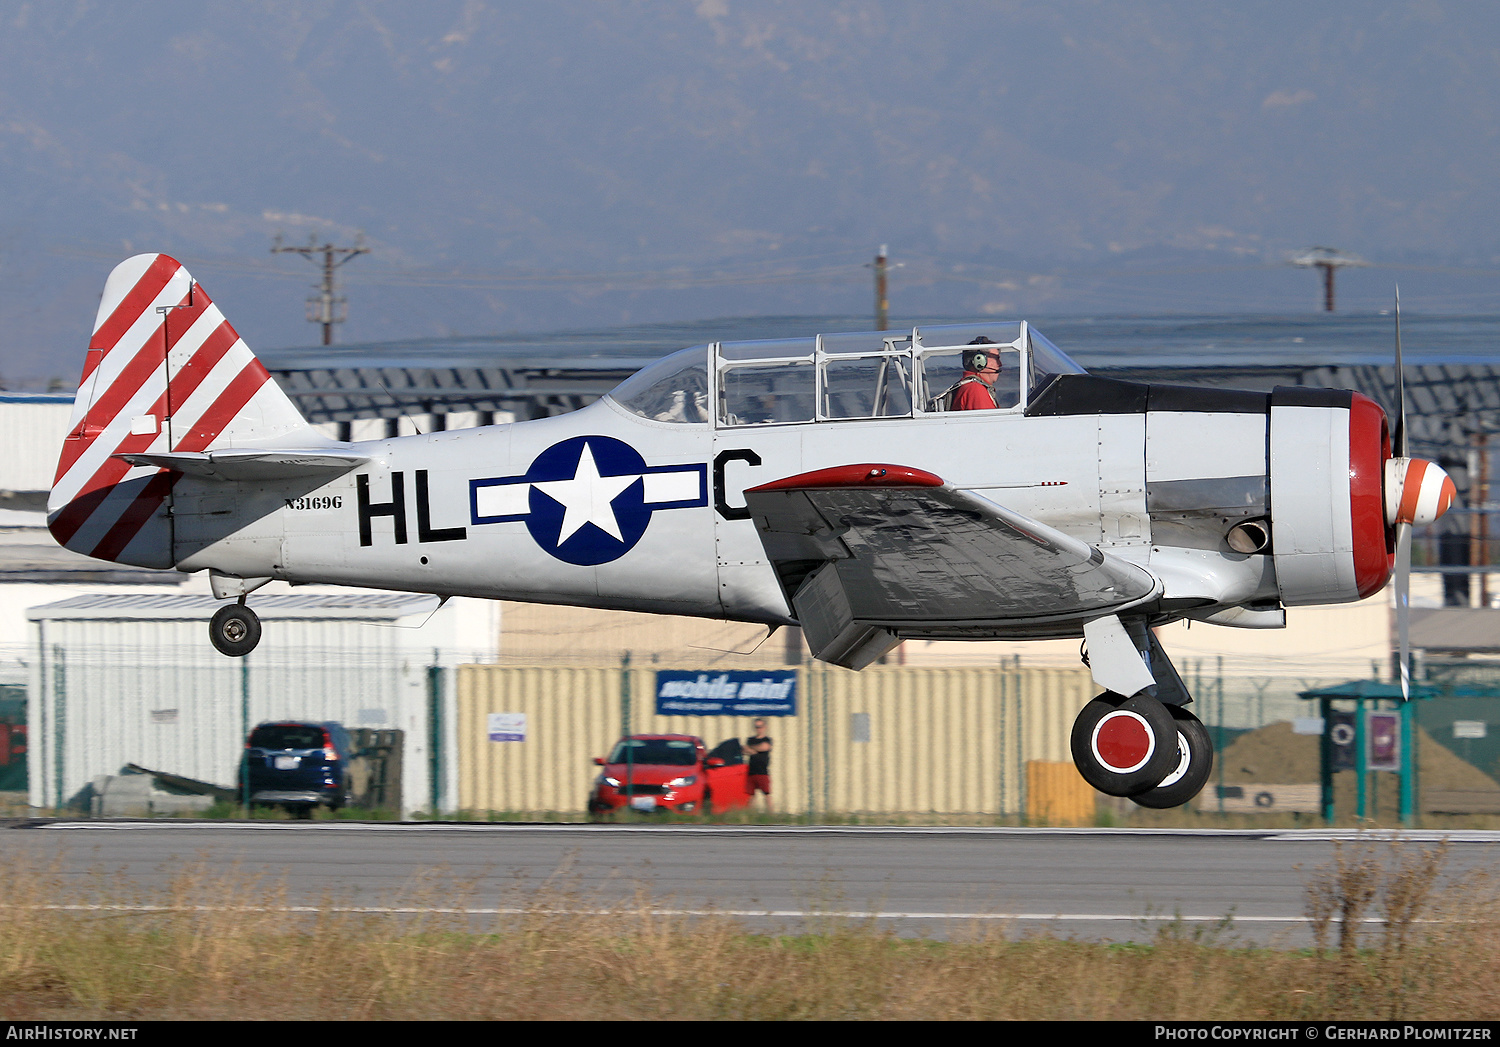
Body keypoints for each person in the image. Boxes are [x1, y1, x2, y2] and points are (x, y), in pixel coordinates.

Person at [947, 336, 1001, 411]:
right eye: (996, 358)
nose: (1000, 364)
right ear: (979, 360)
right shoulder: (976, 389)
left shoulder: (971, 387)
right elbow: (987, 421)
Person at [744, 717, 772, 811]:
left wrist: (753, 749)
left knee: (767, 795)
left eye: (760, 726)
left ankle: (771, 816)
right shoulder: (750, 739)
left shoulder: (767, 739)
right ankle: (749, 816)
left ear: (765, 727)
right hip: (752, 772)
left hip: (762, 772)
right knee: (751, 796)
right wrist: (756, 749)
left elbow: (765, 747)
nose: (758, 728)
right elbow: (745, 749)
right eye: (756, 727)